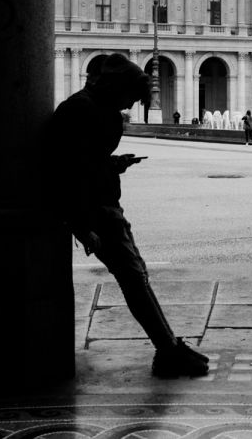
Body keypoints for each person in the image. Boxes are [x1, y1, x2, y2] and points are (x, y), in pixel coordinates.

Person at [45, 53, 209, 378]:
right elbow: (66, 172)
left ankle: (168, 347)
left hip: (104, 205)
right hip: (96, 210)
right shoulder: (83, 110)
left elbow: (86, 162)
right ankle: (167, 351)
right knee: (134, 278)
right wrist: (82, 226)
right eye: (131, 97)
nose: (131, 105)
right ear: (116, 86)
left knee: (137, 276)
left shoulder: (92, 106)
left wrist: (114, 163)